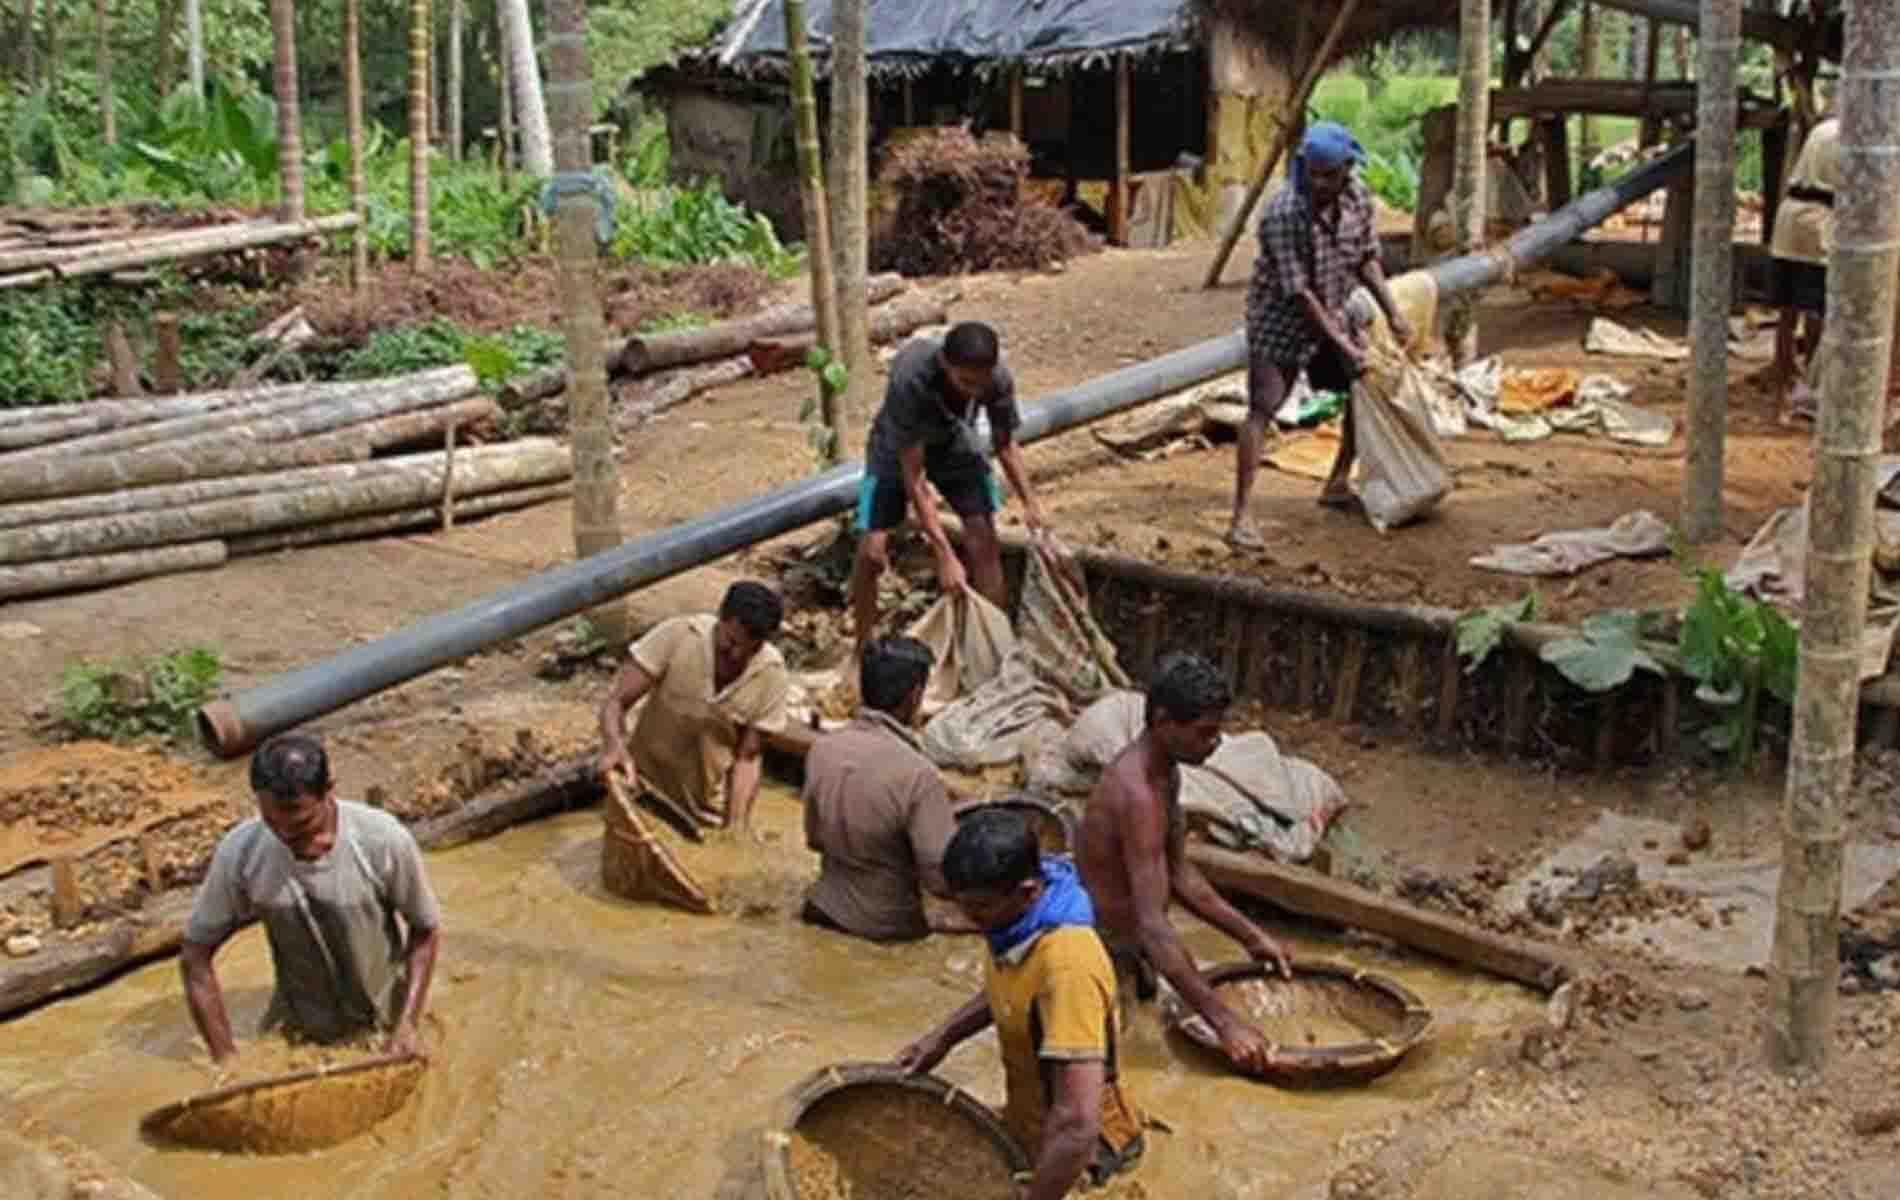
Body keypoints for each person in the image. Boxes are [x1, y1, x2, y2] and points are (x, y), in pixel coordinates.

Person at [895, 810, 1145, 1198]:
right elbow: (1014, 989)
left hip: (1081, 1155)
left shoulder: (1067, 968)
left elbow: (1077, 1123)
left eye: (978, 908)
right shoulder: (1014, 927)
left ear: (1028, 891)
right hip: (1028, 1124)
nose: (968, 919)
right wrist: (942, 1038)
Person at [1075, 652, 1292, 1075]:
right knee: (1117, 1071)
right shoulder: (1136, 795)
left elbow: (1181, 874)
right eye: (1203, 733)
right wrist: (1227, 1024)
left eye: (1217, 732)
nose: (1213, 744)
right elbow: (1153, 924)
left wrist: (1251, 937)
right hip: (1098, 946)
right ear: (1162, 721)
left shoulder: (1166, 772)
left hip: (1132, 942)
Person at [181, 733, 441, 1065]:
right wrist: (226, 1059)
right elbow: (194, 956)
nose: (286, 835)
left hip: (383, 1027)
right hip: (299, 1032)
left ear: (329, 790)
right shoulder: (242, 851)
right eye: (272, 822)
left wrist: (406, 1025)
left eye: (302, 823)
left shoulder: (382, 840)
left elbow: (426, 931)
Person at [1232, 121, 1413, 549]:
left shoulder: (1358, 199)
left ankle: (1336, 482)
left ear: (1348, 168)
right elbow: (1298, 293)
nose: (1319, 183)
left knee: (1362, 390)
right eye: (1312, 173)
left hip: (1332, 309)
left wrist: (1393, 311)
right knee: (1263, 408)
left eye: (1328, 175)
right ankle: (1239, 516)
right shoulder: (1283, 212)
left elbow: (1366, 259)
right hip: (1280, 318)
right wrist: (1345, 346)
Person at [850, 322, 1050, 655]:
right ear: (945, 364)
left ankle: (997, 650)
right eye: (965, 383)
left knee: (984, 540)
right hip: (895, 446)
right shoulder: (910, 377)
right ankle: (863, 648)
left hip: (954, 439)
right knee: (872, 552)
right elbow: (914, 479)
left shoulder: (997, 380)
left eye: (980, 384)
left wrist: (1031, 502)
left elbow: (1005, 444)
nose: (974, 392)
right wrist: (943, 554)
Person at [801, 636, 964, 940]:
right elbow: (940, 881)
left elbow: (814, 839)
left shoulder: (822, 749)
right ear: (915, 695)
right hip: (886, 929)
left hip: (820, 910)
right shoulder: (918, 774)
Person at [598, 581, 791, 837]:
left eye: (750, 650)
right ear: (720, 618)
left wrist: (735, 827)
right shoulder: (678, 635)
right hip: (642, 793)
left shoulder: (771, 674)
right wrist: (614, 746)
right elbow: (616, 703)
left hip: (704, 813)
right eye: (731, 642)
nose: (736, 655)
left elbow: (748, 758)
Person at [1768, 114, 1841, 424]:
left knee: (1787, 312)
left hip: (1789, 218)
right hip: (1819, 221)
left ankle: (1781, 388)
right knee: (1816, 310)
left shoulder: (1823, 130)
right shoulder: (1857, 141)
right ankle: (1809, 390)